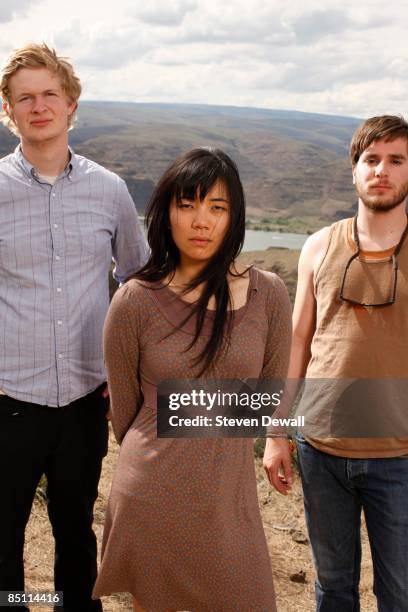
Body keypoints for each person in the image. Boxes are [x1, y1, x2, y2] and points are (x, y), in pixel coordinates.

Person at [92, 148, 292, 610]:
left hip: (229, 501)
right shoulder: (134, 300)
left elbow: (267, 396)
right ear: (167, 213)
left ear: (234, 216)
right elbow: (126, 417)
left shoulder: (269, 294)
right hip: (152, 495)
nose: (201, 221)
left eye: (216, 207)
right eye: (188, 205)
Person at [0, 43, 147, 611]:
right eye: (25, 99)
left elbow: (138, 282)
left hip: (86, 401)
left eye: (49, 95)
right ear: (8, 111)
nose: (39, 107)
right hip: (8, 401)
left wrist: (129, 373)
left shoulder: (109, 190)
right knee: (3, 542)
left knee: (75, 536)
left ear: (71, 104)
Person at [263, 115, 408, 611]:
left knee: (400, 594)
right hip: (321, 451)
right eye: (371, 160)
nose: (381, 171)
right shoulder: (319, 246)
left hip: (400, 457)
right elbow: (299, 341)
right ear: (354, 170)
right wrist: (276, 433)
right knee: (333, 590)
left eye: (396, 160)